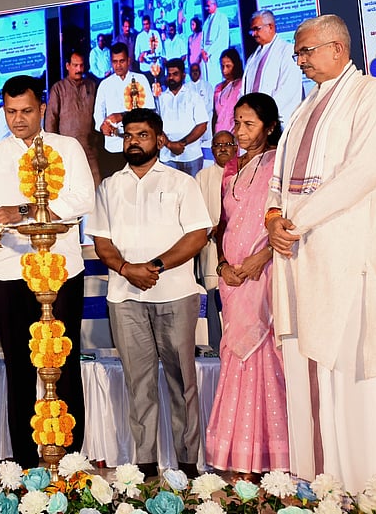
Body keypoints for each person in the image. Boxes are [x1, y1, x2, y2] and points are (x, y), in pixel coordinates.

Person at [266, 14, 376, 493]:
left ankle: (372, 490)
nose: (299, 60)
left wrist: (295, 221)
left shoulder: (375, 95)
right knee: (309, 380)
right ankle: (322, 489)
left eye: (306, 51)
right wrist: (273, 218)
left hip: (349, 263)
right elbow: (277, 181)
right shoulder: (304, 109)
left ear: (339, 49)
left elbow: (363, 172)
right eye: (298, 52)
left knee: (351, 380)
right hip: (301, 260)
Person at [0, 75, 94, 468]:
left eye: (25, 111)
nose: (17, 120)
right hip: (9, 270)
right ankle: (22, 461)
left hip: (61, 270)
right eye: (10, 112)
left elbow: (81, 198)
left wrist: (20, 211)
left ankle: (71, 457)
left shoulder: (66, 147)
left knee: (62, 362)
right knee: (20, 368)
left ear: (41, 109)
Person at [87, 108, 210, 478]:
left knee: (181, 383)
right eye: (128, 136)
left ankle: (188, 467)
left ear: (158, 139)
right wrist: (127, 270)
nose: (133, 141)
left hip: (174, 294)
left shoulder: (180, 183)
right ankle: (145, 467)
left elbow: (197, 236)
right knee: (138, 385)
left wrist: (153, 267)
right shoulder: (109, 186)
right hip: (125, 298)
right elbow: (102, 241)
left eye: (142, 135)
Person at [206, 93, 289, 478]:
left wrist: (260, 258)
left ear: (270, 126)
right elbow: (226, 225)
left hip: (265, 277)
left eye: (248, 124)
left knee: (265, 359)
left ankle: (274, 457)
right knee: (235, 359)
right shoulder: (234, 170)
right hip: (234, 282)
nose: (239, 132)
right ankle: (241, 457)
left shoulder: (280, 166)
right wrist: (224, 265)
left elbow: (288, 220)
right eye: (236, 123)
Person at [93, 43, 155, 179]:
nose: (118, 65)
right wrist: (102, 126)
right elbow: (98, 113)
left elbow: (149, 111)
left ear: (128, 60)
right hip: (113, 145)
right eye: (115, 62)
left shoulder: (140, 79)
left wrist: (121, 116)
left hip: (138, 144)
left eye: (122, 61)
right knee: (117, 189)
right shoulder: (104, 85)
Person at [46, 51, 103, 187]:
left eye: (81, 66)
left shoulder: (91, 86)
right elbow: (50, 121)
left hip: (89, 148)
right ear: (67, 66)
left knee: (96, 186)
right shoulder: (58, 89)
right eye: (75, 65)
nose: (79, 69)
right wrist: (53, 149)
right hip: (66, 150)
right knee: (71, 187)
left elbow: (99, 114)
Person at [242, 10, 303, 123]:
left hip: (277, 120)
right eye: (252, 30)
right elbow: (245, 91)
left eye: (256, 29)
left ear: (270, 27)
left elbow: (288, 90)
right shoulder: (253, 58)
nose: (253, 34)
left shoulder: (287, 50)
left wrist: (262, 114)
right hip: (254, 122)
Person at [196, 131, 236, 291]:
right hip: (211, 246)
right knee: (214, 297)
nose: (223, 149)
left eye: (227, 145)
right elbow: (195, 212)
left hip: (239, 246)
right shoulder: (202, 176)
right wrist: (210, 229)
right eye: (218, 145)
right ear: (212, 150)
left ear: (236, 148)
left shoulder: (246, 173)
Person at [157, 58, 208, 177]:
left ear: (183, 75)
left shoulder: (193, 96)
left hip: (191, 156)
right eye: (169, 75)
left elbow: (202, 125)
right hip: (167, 157)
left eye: (175, 74)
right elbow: (155, 126)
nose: (171, 78)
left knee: (192, 193)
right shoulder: (160, 98)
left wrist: (181, 144)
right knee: (170, 194)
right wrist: (169, 144)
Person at [213, 48, 244, 136]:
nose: (224, 70)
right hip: (219, 134)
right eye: (222, 66)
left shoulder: (241, 85)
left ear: (236, 65)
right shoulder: (218, 88)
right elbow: (215, 116)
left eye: (228, 66)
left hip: (235, 137)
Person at [200, 0, 229, 85]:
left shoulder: (222, 18)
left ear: (215, 5)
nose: (207, 8)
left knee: (216, 81)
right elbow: (202, 39)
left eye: (208, 6)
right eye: (206, 6)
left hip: (216, 54)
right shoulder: (206, 21)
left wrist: (208, 52)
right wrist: (202, 51)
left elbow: (221, 39)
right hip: (205, 56)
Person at [187, 62, 215, 149]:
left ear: (200, 72)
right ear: (189, 73)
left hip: (207, 120)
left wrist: (202, 115)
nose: (195, 72)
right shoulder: (186, 88)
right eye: (193, 71)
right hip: (192, 123)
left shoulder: (207, 86)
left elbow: (211, 104)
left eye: (197, 70)